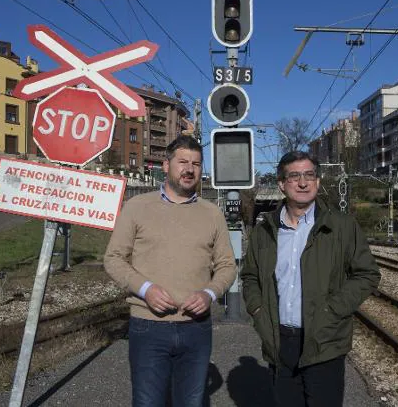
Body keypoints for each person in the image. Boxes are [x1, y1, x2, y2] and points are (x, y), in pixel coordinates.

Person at [104, 135, 236, 407]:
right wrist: (145, 289)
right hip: (148, 326)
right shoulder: (137, 207)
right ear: (166, 165)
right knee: (148, 402)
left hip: (196, 328)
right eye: (183, 162)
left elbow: (226, 266)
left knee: (191, 402)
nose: (189, 169)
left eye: (196, 164)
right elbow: (114, 258)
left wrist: (209, 294)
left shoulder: (212, 214)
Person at [241, 151, 381, 407]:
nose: (303, 182)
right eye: (294, 176)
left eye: (309, 175)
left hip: (324, 339)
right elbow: (250, 276)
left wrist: (333, 309)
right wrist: (257, 309)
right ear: (282, 184)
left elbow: (367, 273)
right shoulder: (264, 231)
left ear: (317, 181)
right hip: (279, 340)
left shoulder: (342, 226)